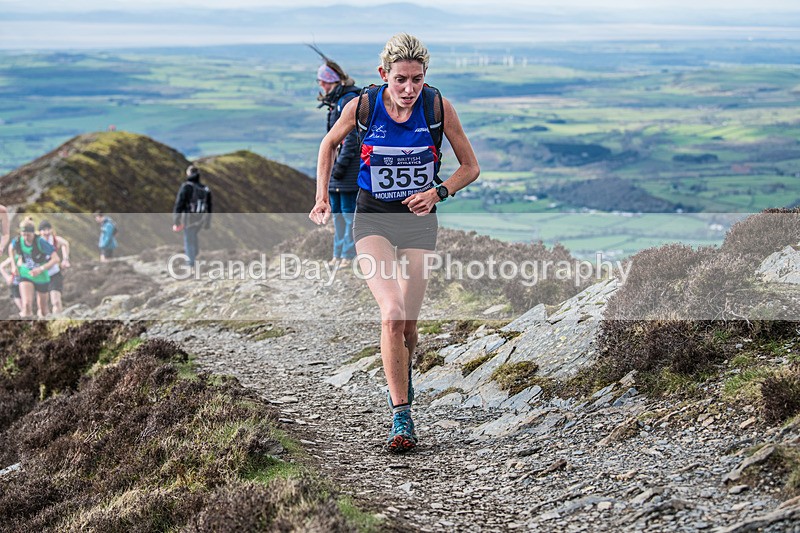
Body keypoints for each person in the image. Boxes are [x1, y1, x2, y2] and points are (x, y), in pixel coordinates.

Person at [309, 33, 480, 453]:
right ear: (383, 74)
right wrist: (321, 197)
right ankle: (401, 414)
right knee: (392, 313)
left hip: (419, 224)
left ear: (425, 76)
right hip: (373, 220)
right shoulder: (363, 106)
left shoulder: (438, 107)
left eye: (416, 79)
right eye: (400, 79)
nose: (408, 89)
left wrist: (438, 192)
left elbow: (470, 167)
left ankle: (403, 372)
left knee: (409, 326)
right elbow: (329, 143)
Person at [314, 48, 361, 267]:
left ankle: (347, 256)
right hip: (339, 173)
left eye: (324, 81)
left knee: (348, 215)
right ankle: (338, 255)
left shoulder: (347, 101)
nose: (321, 86)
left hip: (347, 172)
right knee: (338, 216)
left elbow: (351, 140)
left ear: (334, 81)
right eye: (320, 81)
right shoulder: (337, 102)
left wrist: (338, 168)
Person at [8, 218, 59, 318]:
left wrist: (40, 269)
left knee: (43, 310)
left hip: (41, 276)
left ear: (33, 233)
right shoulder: (18, 240)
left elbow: (56, 259)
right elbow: (11, 248)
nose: (26, 238)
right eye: (23, 235)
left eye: (28, 235)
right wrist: (13, 266)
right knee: (26, 304)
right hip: (26, 273)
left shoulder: (40, 242)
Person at [172, 164, 212, 270]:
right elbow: (209, 206)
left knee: (189, 240)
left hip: (189, 219)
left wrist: (176, 220)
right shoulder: (205, 188)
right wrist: (207, 222)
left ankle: (190, 265)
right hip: (200, 219)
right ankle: (194, 257)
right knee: (193, 237)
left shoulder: (186, 186)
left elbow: (179, 204)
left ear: (188, 174)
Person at [37, 220, 70, 315]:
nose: (47, 232)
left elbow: (65, 244)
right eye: (44, 230)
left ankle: (59, 319)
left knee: (56, 301)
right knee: (42, 307)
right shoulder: (37, 242)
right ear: (40, 232)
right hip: (41, 276)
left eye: (48, 229)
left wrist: (65, 259)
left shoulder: (55, 240)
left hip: (54, 274)